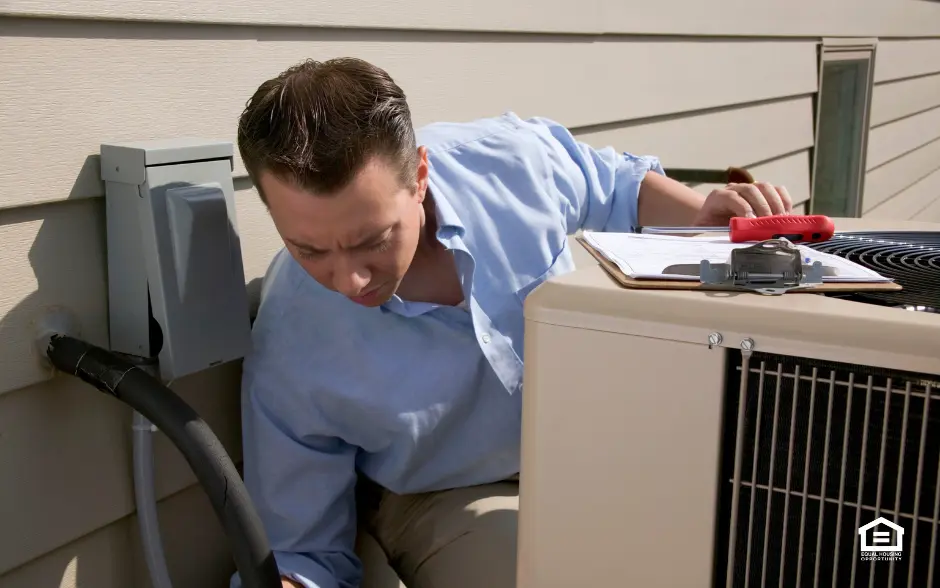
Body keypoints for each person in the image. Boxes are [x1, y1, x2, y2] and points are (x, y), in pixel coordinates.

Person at [231, 57, 794, 588]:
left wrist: (699, 222)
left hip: (592, 442)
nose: (349, 280)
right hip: (444, 494)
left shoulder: (510, 163)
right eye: (309, 250)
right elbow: (301, 552)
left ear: (420, 176)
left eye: (372, 241)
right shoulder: (290, 343)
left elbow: (618, 188)